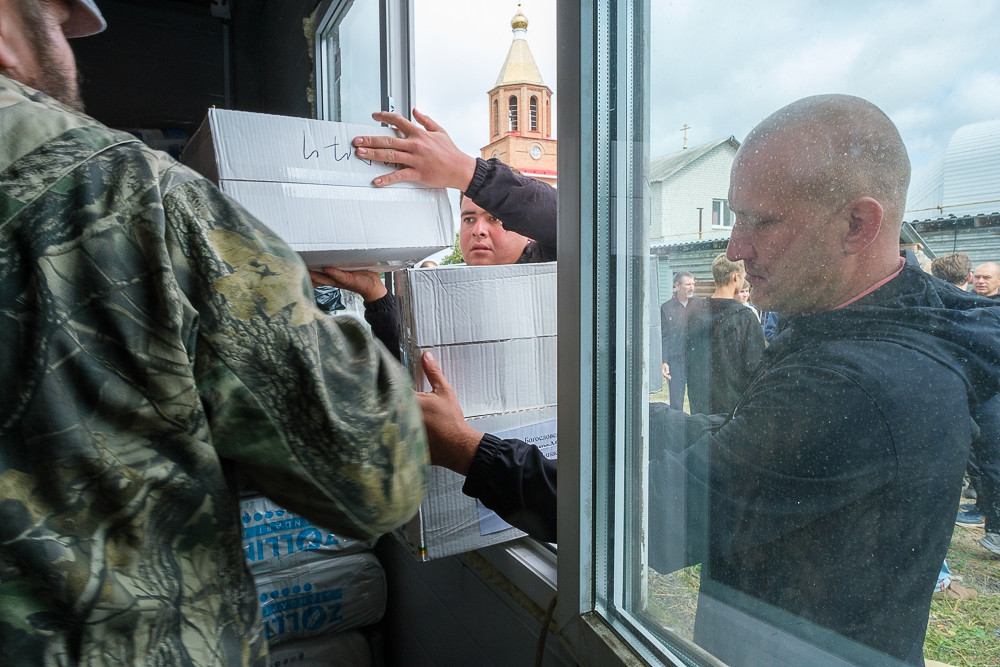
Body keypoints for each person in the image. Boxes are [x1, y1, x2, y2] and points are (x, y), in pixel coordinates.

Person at [422, 94, 1000, 664]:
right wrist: (627, 417)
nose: (734, 247)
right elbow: (754, 439)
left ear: (857, 224)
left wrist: (470, 453)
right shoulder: (868, 329)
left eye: (760, 222)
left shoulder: (858, 383)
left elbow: (655, 518)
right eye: (735, 216)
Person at [0, 1, 428, 662]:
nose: (73, 49)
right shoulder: (126, 191)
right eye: (60, 23)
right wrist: (287, 281)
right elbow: (377, 472)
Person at [310, 110, 557, 359]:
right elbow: (413, 368)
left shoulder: (554, 266)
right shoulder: (446, 293)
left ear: (527, 231)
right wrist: (376, 295)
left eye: (494, 218)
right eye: (469, 219)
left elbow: (570, 220)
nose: (478, 230)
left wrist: (467, 172)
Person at [683, 253, 764, 415]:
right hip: (732, 411)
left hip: (701, 407)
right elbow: (756, 368)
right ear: (736, 277)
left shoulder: (695, 313)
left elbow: (688, 357)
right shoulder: (744, 316)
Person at [659, 271, 700, 410]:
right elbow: (664, 336)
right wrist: (664, 360)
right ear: (677, 285)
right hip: (675, 362)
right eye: (688, 284)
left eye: (693, 284)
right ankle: (677, 430)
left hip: (696, 361)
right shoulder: (666, 308)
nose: (692, 287)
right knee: (676, 404)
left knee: (698, 401)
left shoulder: (700, 305)